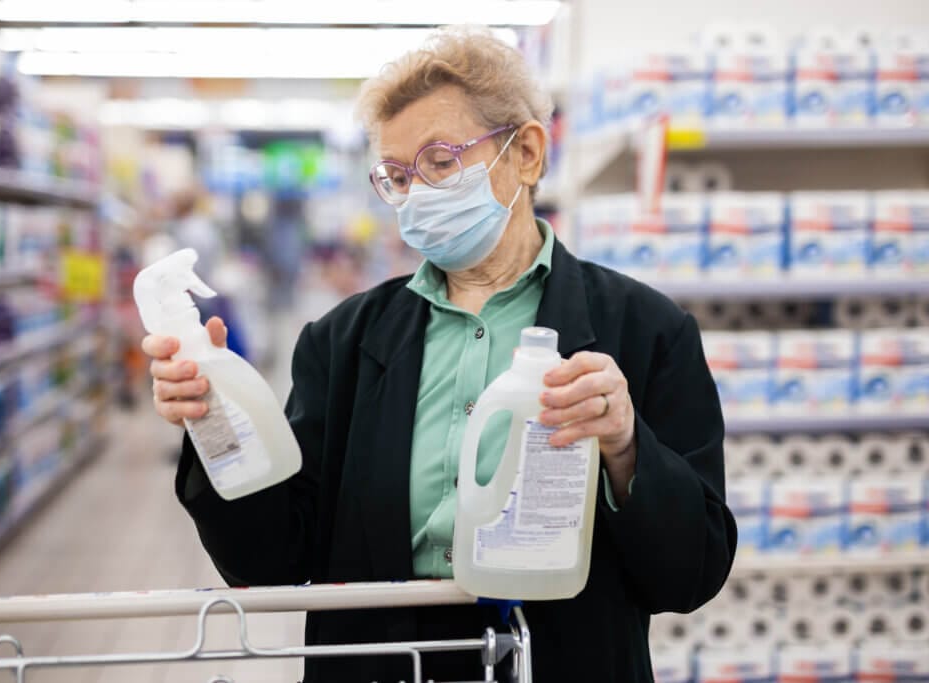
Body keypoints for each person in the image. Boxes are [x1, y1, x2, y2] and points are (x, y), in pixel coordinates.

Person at [142, 27, 736, 683]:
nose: (417, 193)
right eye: (397, 176)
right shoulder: (341, 343)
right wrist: (216, 420)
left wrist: (626, 450)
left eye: (441, 162)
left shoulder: (647, 330)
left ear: (528, 153)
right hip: (378, 662)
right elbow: (271, 556)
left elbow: (692, 571)